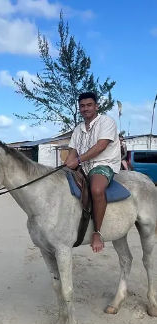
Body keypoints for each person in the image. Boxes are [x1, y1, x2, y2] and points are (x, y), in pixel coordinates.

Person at [65, 92, 120, 253]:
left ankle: (97, 233)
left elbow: (101, 146)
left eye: (89, 105)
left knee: (96, 189)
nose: (85, 108)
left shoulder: (106, 122)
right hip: (83, 166)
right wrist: (67, 165)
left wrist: (78, 160)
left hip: (103, 164)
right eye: (82, 106)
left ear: (96, 106)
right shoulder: (78, 129)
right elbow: (72, 152)